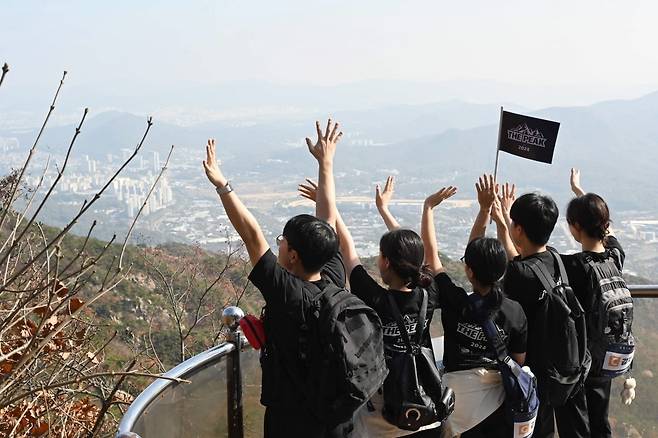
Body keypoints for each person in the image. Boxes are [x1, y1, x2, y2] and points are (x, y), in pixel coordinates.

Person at [202, 120, 360, 438]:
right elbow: (326, 219)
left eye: (282, 242)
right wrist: (326, 163)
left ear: (293, 256)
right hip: (337, 419)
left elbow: (250, 233)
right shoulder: (332, 273)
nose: (278, 245)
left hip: (292, 419)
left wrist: (222, 185)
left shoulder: (287, 291)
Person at [299, 170, 441, 437]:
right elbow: (414, 253)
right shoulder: (428, 293)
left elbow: (347, 249)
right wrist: (384, 211)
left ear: (386, 262)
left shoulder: (374, 297)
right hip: (423, 407)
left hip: (382, 412)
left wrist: (329, 205)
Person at [423, 175, 527, 437]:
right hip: (498, 404)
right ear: (503, 271)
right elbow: (519, 360)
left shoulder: (454, 300)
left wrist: (428, 208)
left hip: (457, 403)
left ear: (468, 271)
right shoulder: (514, 310)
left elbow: (432, 255)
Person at [492, 181, 591, 438]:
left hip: (535, 369)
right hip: (562, 363)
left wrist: (502, 224)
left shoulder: (518, 274)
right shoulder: (557, 259)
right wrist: (506, 223)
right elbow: (522, 262)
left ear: (520, 229)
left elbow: (517, 267)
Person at [561, 168, 628, 438]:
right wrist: (580, 193)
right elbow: (606, 228)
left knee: (579, 425)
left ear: (575, 227)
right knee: (600, 419)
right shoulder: (615, 257)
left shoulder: (575, 266)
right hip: (608, 355)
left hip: (583, 359)